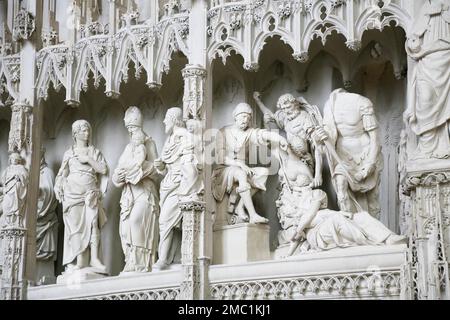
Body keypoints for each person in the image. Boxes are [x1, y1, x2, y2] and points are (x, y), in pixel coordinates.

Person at [212, 102, 288, 224]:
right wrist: (240, 164)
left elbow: (262, 134)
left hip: (241, 169)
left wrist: (280, 138)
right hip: (224, 170)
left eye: (248, 118)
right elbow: (221, 158)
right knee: (242, 174)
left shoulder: (249, 132)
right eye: (242, 116)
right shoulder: (223, 131)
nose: (245, 120)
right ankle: (253, 215)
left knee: (263, 172)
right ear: (235, 116)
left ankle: (240, 207)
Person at [54, 120, 108, 273]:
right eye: (83, 130)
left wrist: (88, 160)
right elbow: (62, 174)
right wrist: (58, 185)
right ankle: (80, 260)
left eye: (88, 130)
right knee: (75, 228)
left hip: (90, 193)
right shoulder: (69, 153)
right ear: (75, 133)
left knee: (92, 225)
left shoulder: (94, 151)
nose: (87, 133)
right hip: (72, 194)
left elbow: (103, 169)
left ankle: (95, 259)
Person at [320, 89, 383, 218]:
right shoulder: (330, 105)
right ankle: (349, 223)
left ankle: (372, 228)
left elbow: (375, 138)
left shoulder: (363, 103)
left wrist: (370, 164)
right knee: (341, 185)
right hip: (342, 156)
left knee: (372, 199)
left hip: (364, 154)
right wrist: (320, 136)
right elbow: (330, 135)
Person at [153, 108, 203, 270]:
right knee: (169, 223)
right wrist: (160, 167)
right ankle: (171, 259)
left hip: (180, 185)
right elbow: (167, 165)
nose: (163, 121)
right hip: (169, 184)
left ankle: (164, 259)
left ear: (174, 119)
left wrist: (187, 186)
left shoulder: (185, 137)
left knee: (167, 221)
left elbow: (193, 161)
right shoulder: (170, 139)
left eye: (166, 118)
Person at [113, 107, 160, 273]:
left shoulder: (149, 143)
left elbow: (158, 170)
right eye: (130, 129)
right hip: (128, 195)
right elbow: (118, 171)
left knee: (136, 222)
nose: (132, 131)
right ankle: (130, 260)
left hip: (145, 192)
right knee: (124, 229)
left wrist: (141, 170)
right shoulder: (128, 148)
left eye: (134, 128)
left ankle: (141, 263)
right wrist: (118, 178)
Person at [405, 0, 450, 160]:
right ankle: (427, 146)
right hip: (426, 61)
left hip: (447, 60)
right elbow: (412, 41)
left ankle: (444, 145)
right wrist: (413, 43)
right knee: (425, 100)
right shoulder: (426, 6)